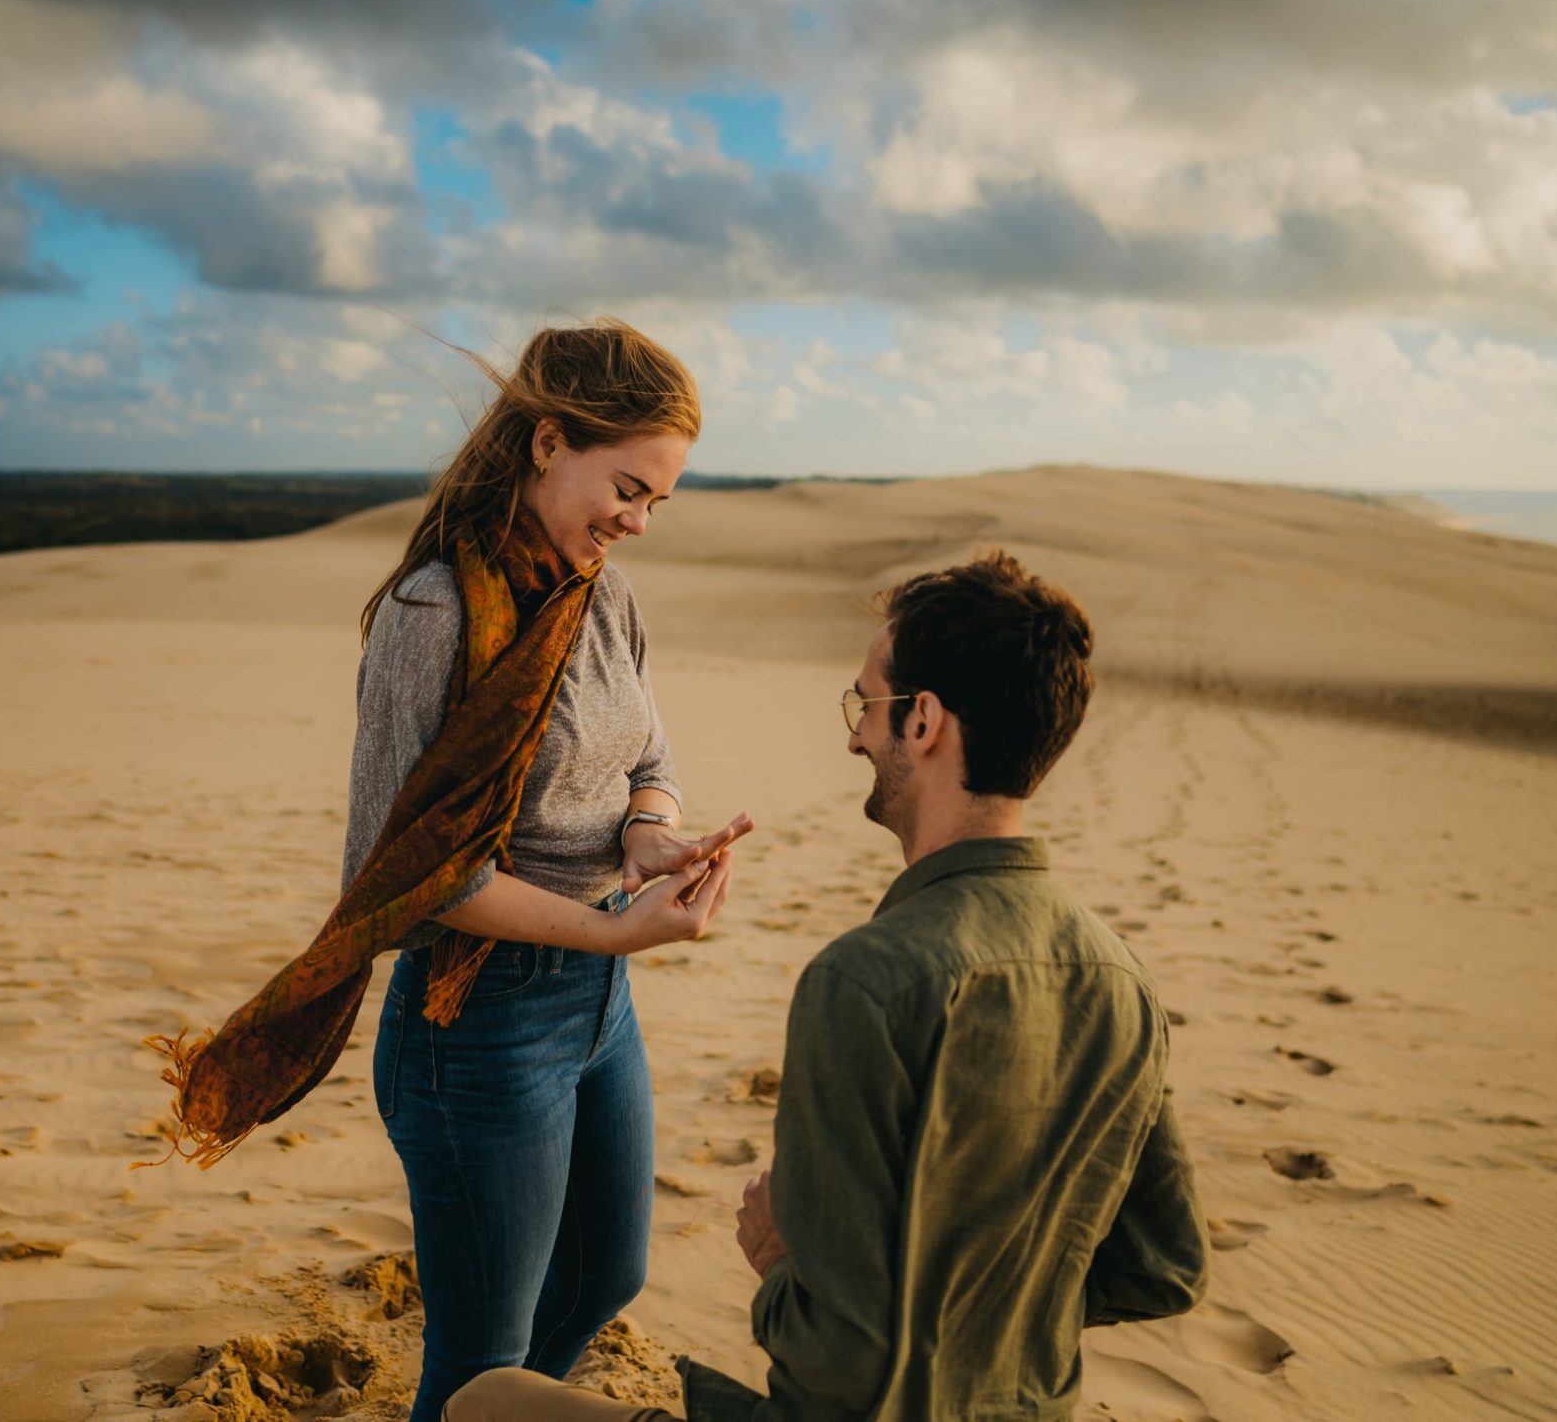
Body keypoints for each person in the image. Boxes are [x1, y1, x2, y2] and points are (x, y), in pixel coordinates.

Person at [447, 551, 1208, 1422]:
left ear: (922, 722)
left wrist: (780, 1264)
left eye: (866, 705)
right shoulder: (1119, 976)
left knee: (488, 1400)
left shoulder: (868, 982)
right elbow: (1165, 1265)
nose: (854, 736)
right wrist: (995, 1318)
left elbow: (839, 1361)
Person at [337, 320, 752, 1421]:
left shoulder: (600, 593)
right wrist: (614, 928)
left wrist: (649, 834)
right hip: (473, 1027)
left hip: (595, 1006)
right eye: (628, 485)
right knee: (482, 1359)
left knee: (603, 1278)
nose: (637, 519)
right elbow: (398, 882)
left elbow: (647, 757)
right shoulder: (433, 615)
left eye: (657, 500)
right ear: (546, 441)